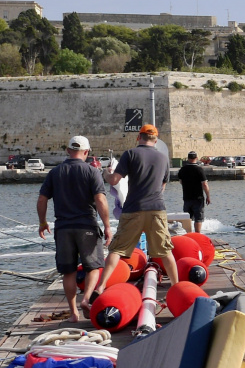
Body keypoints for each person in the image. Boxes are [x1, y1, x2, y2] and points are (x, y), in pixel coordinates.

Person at [93, 123, 179, 298]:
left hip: (133, 208)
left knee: (116, 250)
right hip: (156, 208)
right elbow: (162, 186)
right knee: (165, 250)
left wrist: (105, 173)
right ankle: (177, 287)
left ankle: (101, 286)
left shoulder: (130, 154)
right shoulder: (163, 158)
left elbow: (115, 180)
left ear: (138, 137)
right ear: (156, 139)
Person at [37, 135, 111, 322]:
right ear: (86, 152)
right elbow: (100, 200)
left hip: (63, 228)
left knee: (68, 271)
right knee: (93, 267)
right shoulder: (92, 172)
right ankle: (86, 299)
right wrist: (107, 226)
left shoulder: (55, 173)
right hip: (87, 225)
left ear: (68, 151)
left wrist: (42, 222)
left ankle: (73, 313)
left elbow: (42, 199)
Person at [177, 151, 212, 233]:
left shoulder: (182, 169)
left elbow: (181, 182)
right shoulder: (199, 169)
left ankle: (188, 235)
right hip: (198, 198)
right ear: (196, 158)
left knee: (187, 218)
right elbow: (205, 184)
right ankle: (197, 235)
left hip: (186, 197)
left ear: (188, 159)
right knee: (198, 218)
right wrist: (208, 196)